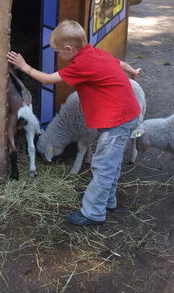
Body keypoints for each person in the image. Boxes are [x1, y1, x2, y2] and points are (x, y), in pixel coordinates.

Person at [7, 19, 142, 226]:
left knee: (102, 165)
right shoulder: (96, 53)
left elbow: (48, 79)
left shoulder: (81, 65)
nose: (58, 56)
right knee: (111, 162)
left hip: (118, 120)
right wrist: (132, 71)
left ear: (69, 50)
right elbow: (120, 64)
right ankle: (107, 200)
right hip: (125, 115)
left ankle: (93, 213)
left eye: (58, 52)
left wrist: (24, 66)